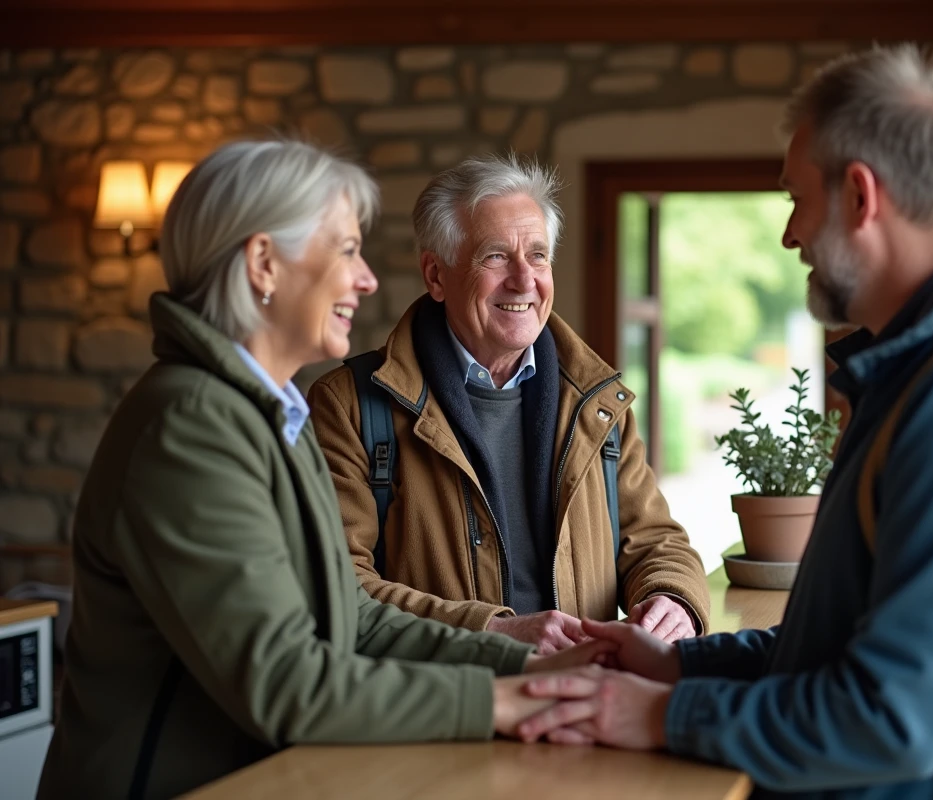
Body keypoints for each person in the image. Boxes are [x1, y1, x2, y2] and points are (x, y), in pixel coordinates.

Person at [513, 44, 933, 799]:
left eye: (798, 199)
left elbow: (892, 719)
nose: (791, 235)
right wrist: (681, 663)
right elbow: (848, 645)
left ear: (860, 196)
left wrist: (666, 714)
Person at [37, 140, 608, 800]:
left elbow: (352, 617)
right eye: (345, 251)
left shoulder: (271, 410)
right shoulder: (190, 426)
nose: (366, 279)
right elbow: (287, 683)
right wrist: (511, 703)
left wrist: (529, 661)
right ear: (264, 265)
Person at [308, 154, 710, 654]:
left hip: (583, 700)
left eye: (538, 255)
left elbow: (656, 541)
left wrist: (673, 599)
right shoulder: (348, 405)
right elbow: (338, 583)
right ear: (436, 275)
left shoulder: (596, 401)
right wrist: (491, 634)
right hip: (449, 707)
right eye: (495, 256)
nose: (525, 280)